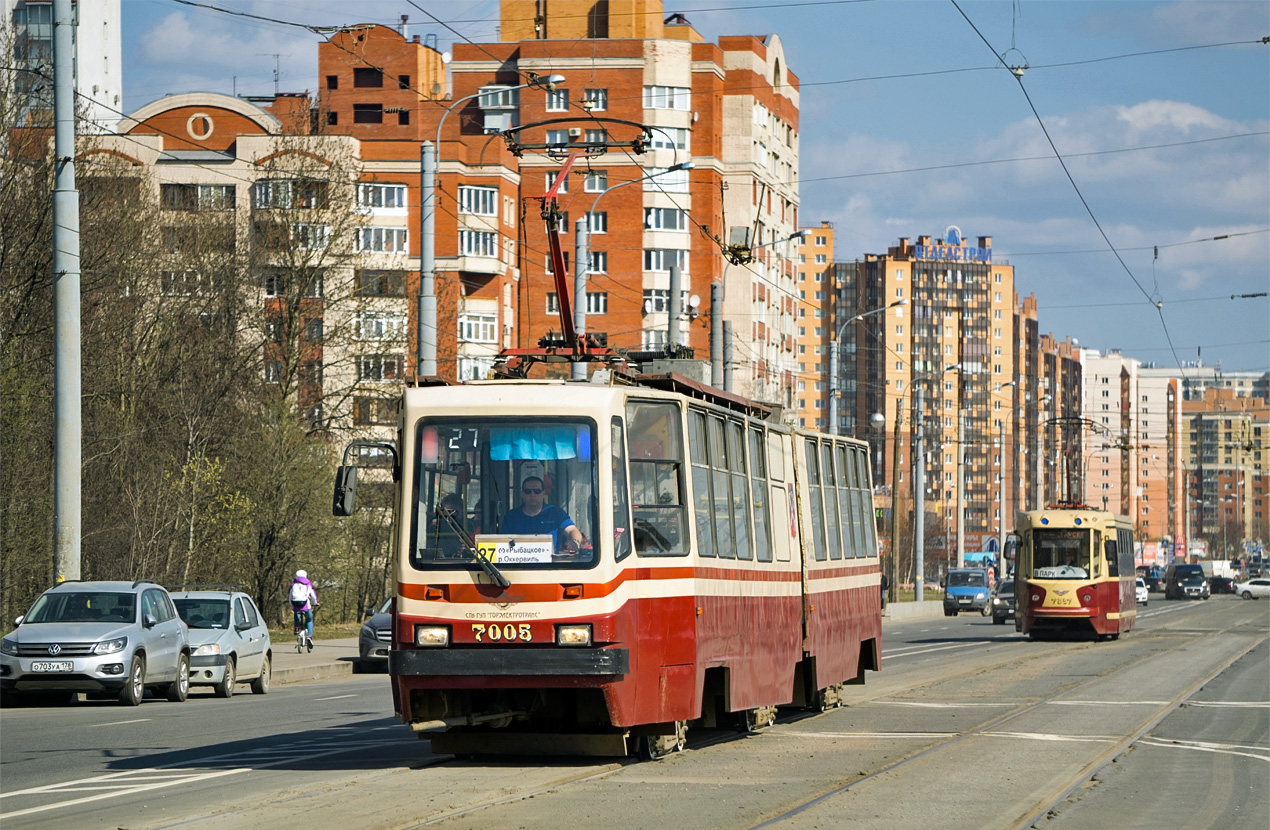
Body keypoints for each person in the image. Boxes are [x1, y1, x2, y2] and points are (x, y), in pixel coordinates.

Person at [500, 476, 585, 550]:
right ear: (522, 494)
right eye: (528, 491)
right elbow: (503, 542)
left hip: (550, 565)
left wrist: (575, 540)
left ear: (543, 493)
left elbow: (571, 529)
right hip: (518, 565)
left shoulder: (555, 512)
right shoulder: (511, 516)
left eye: (537, 491)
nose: (532, 495)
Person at [289, 569, 319, 652]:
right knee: (309, 619)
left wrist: (292, 605)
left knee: (296, 614)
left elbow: (290, 596)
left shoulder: (293, 584)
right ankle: (309, 636)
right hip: (305, 606)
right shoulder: (308, 584)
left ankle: (296, 628)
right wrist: (315, 602)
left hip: (295, 605)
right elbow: (312, 595)